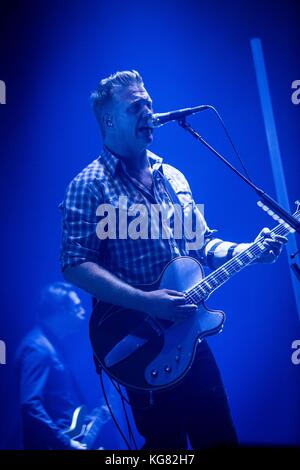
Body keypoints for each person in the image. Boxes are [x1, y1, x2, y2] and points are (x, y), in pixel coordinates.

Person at [59, 70, 287, 449]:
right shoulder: (89, 184)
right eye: (136, 107)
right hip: (139, 340)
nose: (149, 111)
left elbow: (203, 246)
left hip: (189, 339)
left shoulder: (174, 178)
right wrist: (146, 301)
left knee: (221, 439)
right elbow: (74, 264)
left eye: (149, 102)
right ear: (110, 119)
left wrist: (250, 252)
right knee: (165, 449)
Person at [16, 282, 88, 450]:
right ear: (61, 311)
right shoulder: (37, 348)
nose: (83, 311)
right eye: (77, 307)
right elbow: (30, 404)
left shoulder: (50, 345)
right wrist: (66, 442)